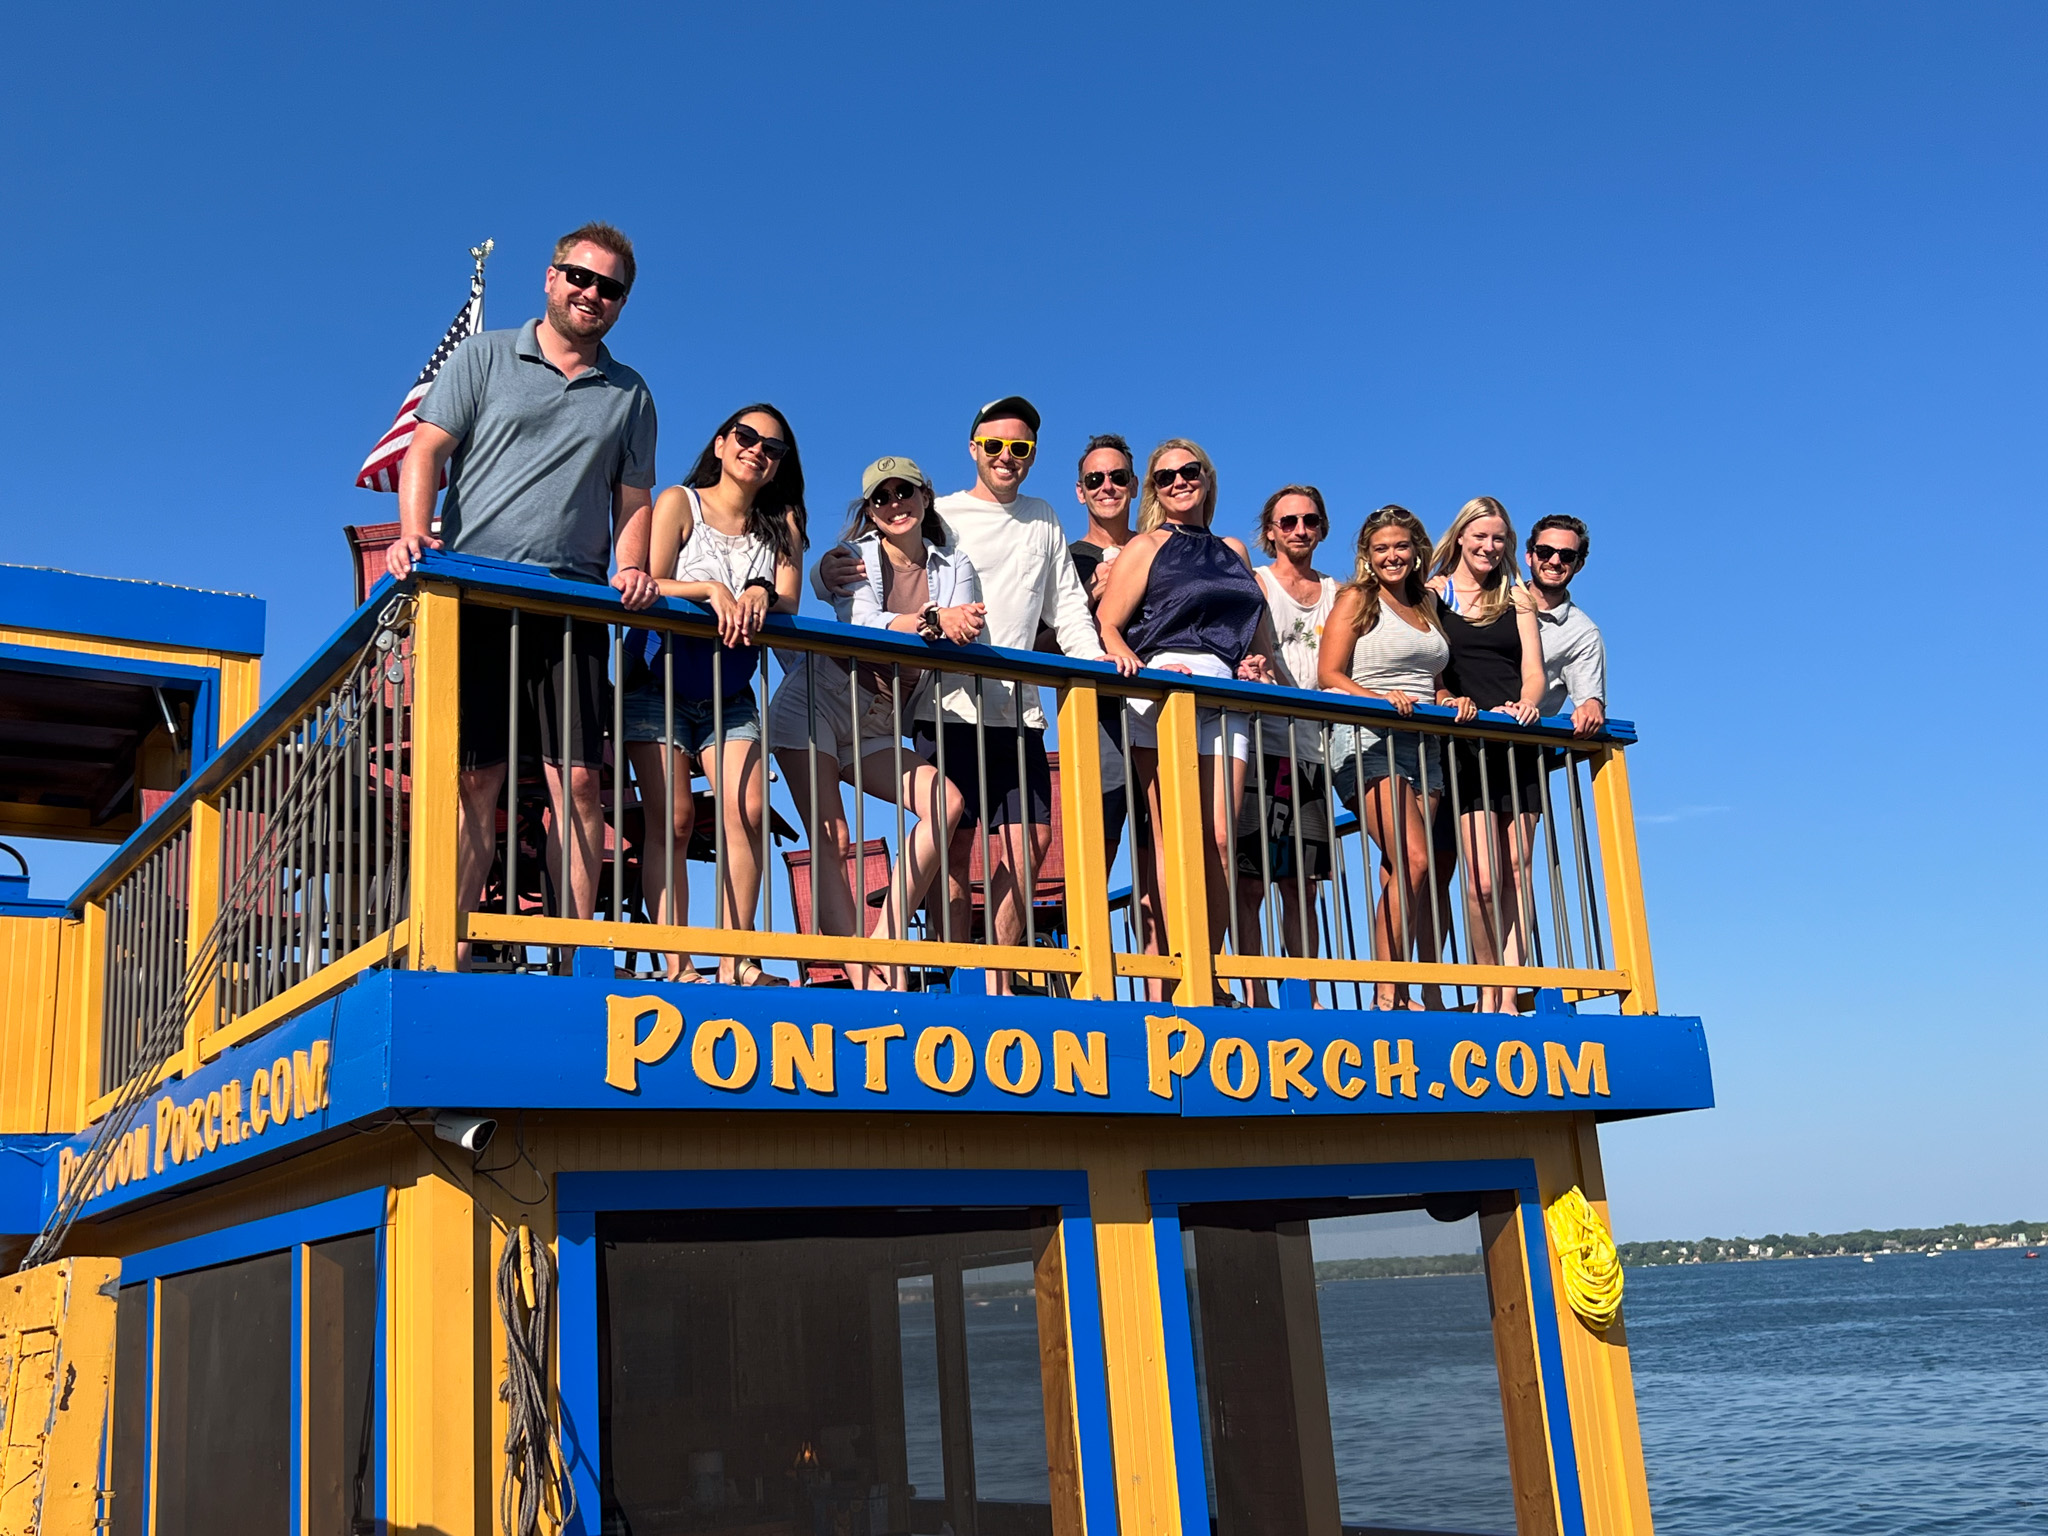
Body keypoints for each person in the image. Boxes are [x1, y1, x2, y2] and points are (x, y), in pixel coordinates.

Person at [383, 222, 660, 970]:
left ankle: (576, 957)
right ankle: (447, 948)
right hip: (474, 602)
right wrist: (413, 534)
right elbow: (425, 451)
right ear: (549, 277)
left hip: (570, 609)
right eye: (580, 277)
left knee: (576, 782)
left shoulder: (630, 394)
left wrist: (631, 568)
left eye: (609, 288)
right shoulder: (483, 356)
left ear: (622, 302)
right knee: (476, 779)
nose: (591, 294)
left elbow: (633, 501)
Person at [813, 397, 1118, 995]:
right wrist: (827, 572)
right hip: (943, 703)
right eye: (996, 446)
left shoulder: (1045, 519)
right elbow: (862, 567)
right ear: (974, 450)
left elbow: (1068, 610)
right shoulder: (938, 513)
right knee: (953, 846)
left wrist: (1093, 664)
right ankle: (952, 977)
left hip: (1018, 707)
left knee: (1031, 843)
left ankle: (997, 978)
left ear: (1032, 455)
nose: (1008, 457)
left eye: (1021, 447)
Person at [769, 457, 986, 989]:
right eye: (881, 498)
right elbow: (865, 624)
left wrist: (946, 625)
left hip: (881, 718)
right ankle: (865, 979)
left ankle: (886, 947)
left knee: (946, 803)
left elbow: (969, 634)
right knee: (833, 835)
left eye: (904, 492)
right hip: (820, 698)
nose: (895, 505)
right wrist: (936, 621)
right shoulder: (853, 559)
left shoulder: (955, 564)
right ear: (869, 510)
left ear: (924, 496)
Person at [620, 405, 804, 987]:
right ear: (722, 444)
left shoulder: (784, 524)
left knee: (746, 813)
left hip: (730, 692)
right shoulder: (681, 501)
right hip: (658, 681)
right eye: (747, 438)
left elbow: (791, 599)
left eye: (772, 448)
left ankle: (737, 962)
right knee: (671, 821)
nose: (757, 451)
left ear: (778, 467)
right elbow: (650, 579)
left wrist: (758, 589)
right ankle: (675, 966)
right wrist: (710, 588)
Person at [1097, 440, 1276, 1006]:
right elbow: (1107, 624)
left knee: (1221, 839)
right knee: (1175, 838)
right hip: (1163, 691)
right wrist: (1136, 664)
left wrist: (1260, 665)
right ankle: (1183, 974)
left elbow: (1259, 631)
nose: (1178, 481)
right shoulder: (1147, 545)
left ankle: (1209, 970)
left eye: (1188, 470)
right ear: (1153, 488)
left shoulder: (1233, 549)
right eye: (1165, 475)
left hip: (1225, 692)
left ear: (1206, 476)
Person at [1319, 506, 1473, 1010]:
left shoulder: (1426, 603)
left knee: (1404, 871)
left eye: (1401, 547)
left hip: (1423, 744)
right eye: (1381, 548)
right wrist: (1375, 699)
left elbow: (1435, 672)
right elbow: (1330, 674)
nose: (1392, 556)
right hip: (1366, 740)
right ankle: (1387, 993)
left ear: (1417, 551)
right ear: (1367, 554)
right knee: (1416, 857)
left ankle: (1408, 988)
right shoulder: (1357, 599)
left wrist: (1448, 696)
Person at [1426, 496, 1546, 1012]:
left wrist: (1528, 703)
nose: (1489, 547)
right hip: (1464, 744)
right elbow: (1427, 663)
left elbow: (1534, 670)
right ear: (1459, 537)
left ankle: (1513, 990)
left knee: (1518, 866)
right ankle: (1487, 986)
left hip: (1515, 741)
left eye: (1498, 538)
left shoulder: (1517, 596)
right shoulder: (1434, 593)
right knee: (1481, 877)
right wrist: (1445, 698)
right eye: (1480, 536)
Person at [1234, 486, 1339, 989]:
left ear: (1322, 527)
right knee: (1250, 882)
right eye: (1289, 521)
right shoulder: (1254, 583)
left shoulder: (1339, 594)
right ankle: (1255, 991)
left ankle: (1304, 991)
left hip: (1313, 751)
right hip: (1257, 744)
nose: (1300, 529)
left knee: (1303, 884)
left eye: (1310, 520)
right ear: (1271, 530)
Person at [1523, 514, 1607, 736]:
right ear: (1529, 556)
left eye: (1567, 555)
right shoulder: (1495, 602)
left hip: (1520, 752)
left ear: (1579, 565)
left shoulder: (1582, 633)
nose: (1554, 561)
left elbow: (1589, 700)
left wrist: (1592, 706)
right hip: (1458, 732)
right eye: (1544, 552)